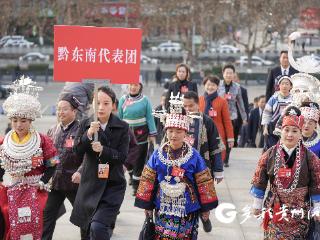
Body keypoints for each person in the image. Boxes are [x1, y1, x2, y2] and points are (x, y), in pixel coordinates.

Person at [135, 93, 218, 239]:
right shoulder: (158, 154)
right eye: (170, 131)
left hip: (187, 208)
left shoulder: (194, 156)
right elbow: (148, 179)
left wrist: (206, 208)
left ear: (185, 132)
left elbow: (204, 182)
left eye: (178, 131)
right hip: (162, 206)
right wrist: (147, 205)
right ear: (165, 131)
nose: (174, 135)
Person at [0, 76, 58, 239]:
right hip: (11, 190)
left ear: (30, 120)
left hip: (36, 190)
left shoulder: (42, 140)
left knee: (35, 226)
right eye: (15, 120)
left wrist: (43, 182)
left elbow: (54, 163)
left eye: (23, 121)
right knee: (10, 223)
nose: (19, 125)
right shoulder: (4, 142)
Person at [250, 106, 320, 239]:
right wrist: (257, 204)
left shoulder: (310, 157)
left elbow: (317, 183)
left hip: (300, 211)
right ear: (280, 131)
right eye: (286, 130)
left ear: (300, 134)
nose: (290, 134)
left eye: (294, 131)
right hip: (275, 207)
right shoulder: (269, 154)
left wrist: (317, 207)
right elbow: (260, 179)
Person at [70, 86, 129, 240]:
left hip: (112, 186)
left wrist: (104, 150)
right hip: (89, 185)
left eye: (106, 103)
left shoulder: (122, 127)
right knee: (86, 231)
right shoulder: (85, 124)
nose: (101, 107)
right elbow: (76, 152)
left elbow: (122, 157)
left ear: (113, 105)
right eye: (98, 103)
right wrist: (88, 135)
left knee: (98, 227)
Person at [42, 95, 85, 240]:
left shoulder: (82, 130)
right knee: (47, 215)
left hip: (74, 183)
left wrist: (80, 172)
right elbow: (50, 157)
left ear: (74, 111)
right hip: (56, 182)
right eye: (59, 109)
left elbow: (88, 156)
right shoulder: (52, 130)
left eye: (65, 109)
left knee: (83, 218)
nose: (61, 112)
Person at [183, 91, 224, 232]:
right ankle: (190, 227)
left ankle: (204, 217)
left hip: (203, 167)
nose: (188, 109)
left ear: (198, 104)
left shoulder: (206, 121)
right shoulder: (178, 119)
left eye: (191, 106)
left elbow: (215, 147)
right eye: (185, 106)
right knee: (186, 199)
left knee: (203, 199)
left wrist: (218, 170)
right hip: (182, 168)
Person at [118, 81, 157, 196]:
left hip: (141, 134)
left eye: (136, 85)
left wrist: (152, 133)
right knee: (127, 158)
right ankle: (131, 176)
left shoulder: (145, 100)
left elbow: (149, 117)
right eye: (131, 85)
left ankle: (136, 186)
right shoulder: (123, 99)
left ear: (140, 87)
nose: (133, 87)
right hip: (126, 133)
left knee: (139, 160)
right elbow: (120, 117)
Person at [199, 75, 234, 167]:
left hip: (218, 134)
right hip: (201, 133)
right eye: (208, 84)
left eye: (213, 85)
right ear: (204, 85)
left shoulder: (222, 101)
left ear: (217, 86)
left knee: (216, 159)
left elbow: (227, 121)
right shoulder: (199, 100)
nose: (210, 87)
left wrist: (230, 138)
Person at [217, 64, 247, 152]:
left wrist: (244, 117)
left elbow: (241, 103)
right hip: (219, 115)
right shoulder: (217, 85)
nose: (229, 75)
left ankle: (227, 157)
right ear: (223, 74)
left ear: (234, 74)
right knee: (220, 136)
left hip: (232, 116)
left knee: (230, 137)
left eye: (231, 73)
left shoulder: (237, 87)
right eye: (227, 73)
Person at [262, 76, 293, 150]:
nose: (284, 86)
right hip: (273, 128)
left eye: (287, 84)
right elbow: (267, 114)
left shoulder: (294, 99)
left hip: (289, 128)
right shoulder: (273, 98)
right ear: (279, 86)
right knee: (273, 149)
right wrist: (265, 128)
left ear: (291, 86)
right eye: (282, 84)